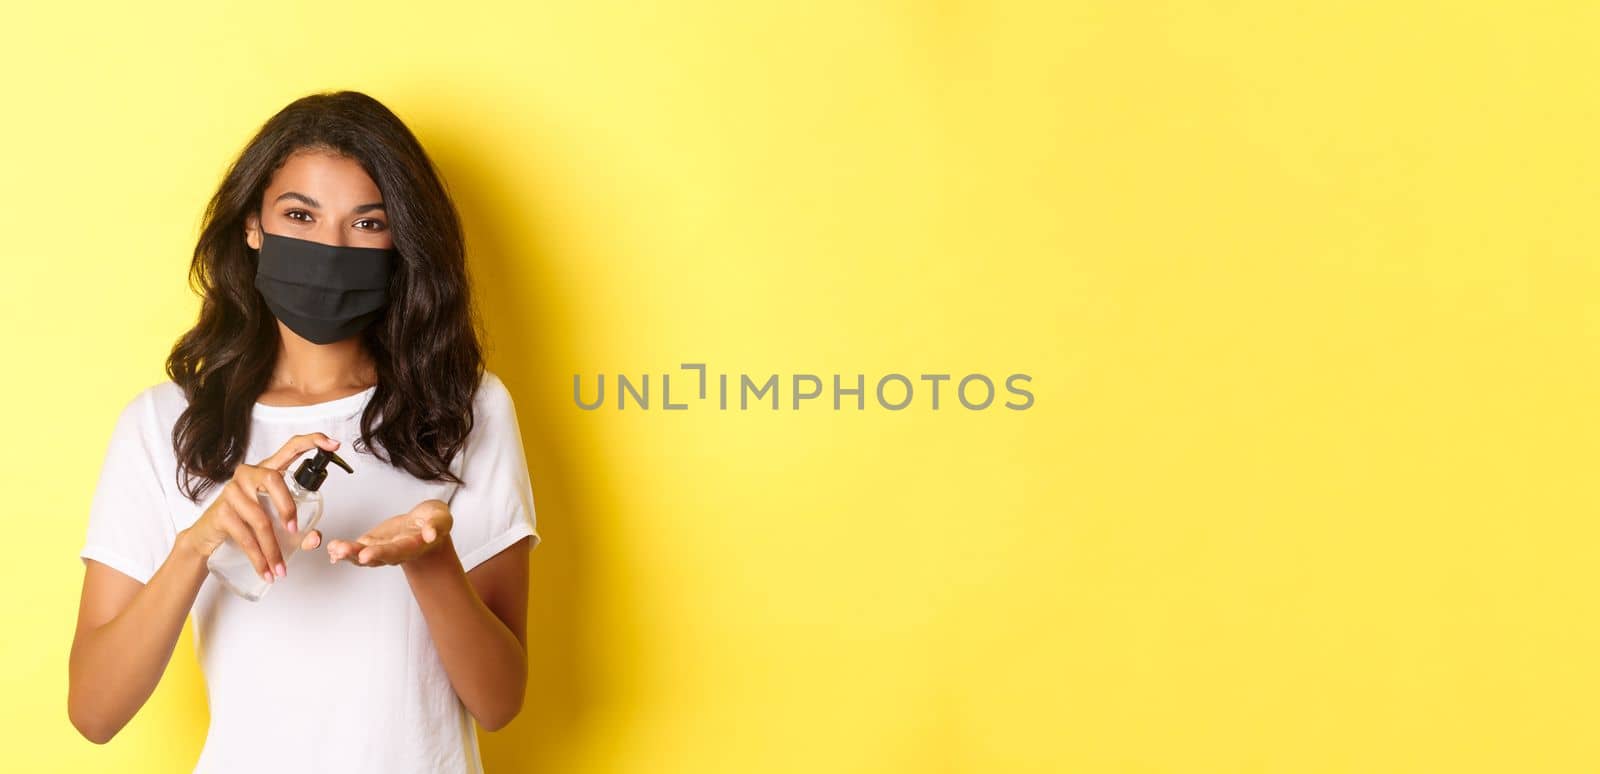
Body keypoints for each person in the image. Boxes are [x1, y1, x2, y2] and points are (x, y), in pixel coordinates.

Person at [67, 90, 541, 774]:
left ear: (402, 241)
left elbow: (499, 702)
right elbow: (94, 711)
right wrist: (196, 545)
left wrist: (430, 561)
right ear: (253, 226)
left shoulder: (464, 408)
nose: (330, 250)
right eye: (300, 215)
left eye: (367, 223)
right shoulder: (164, 423)